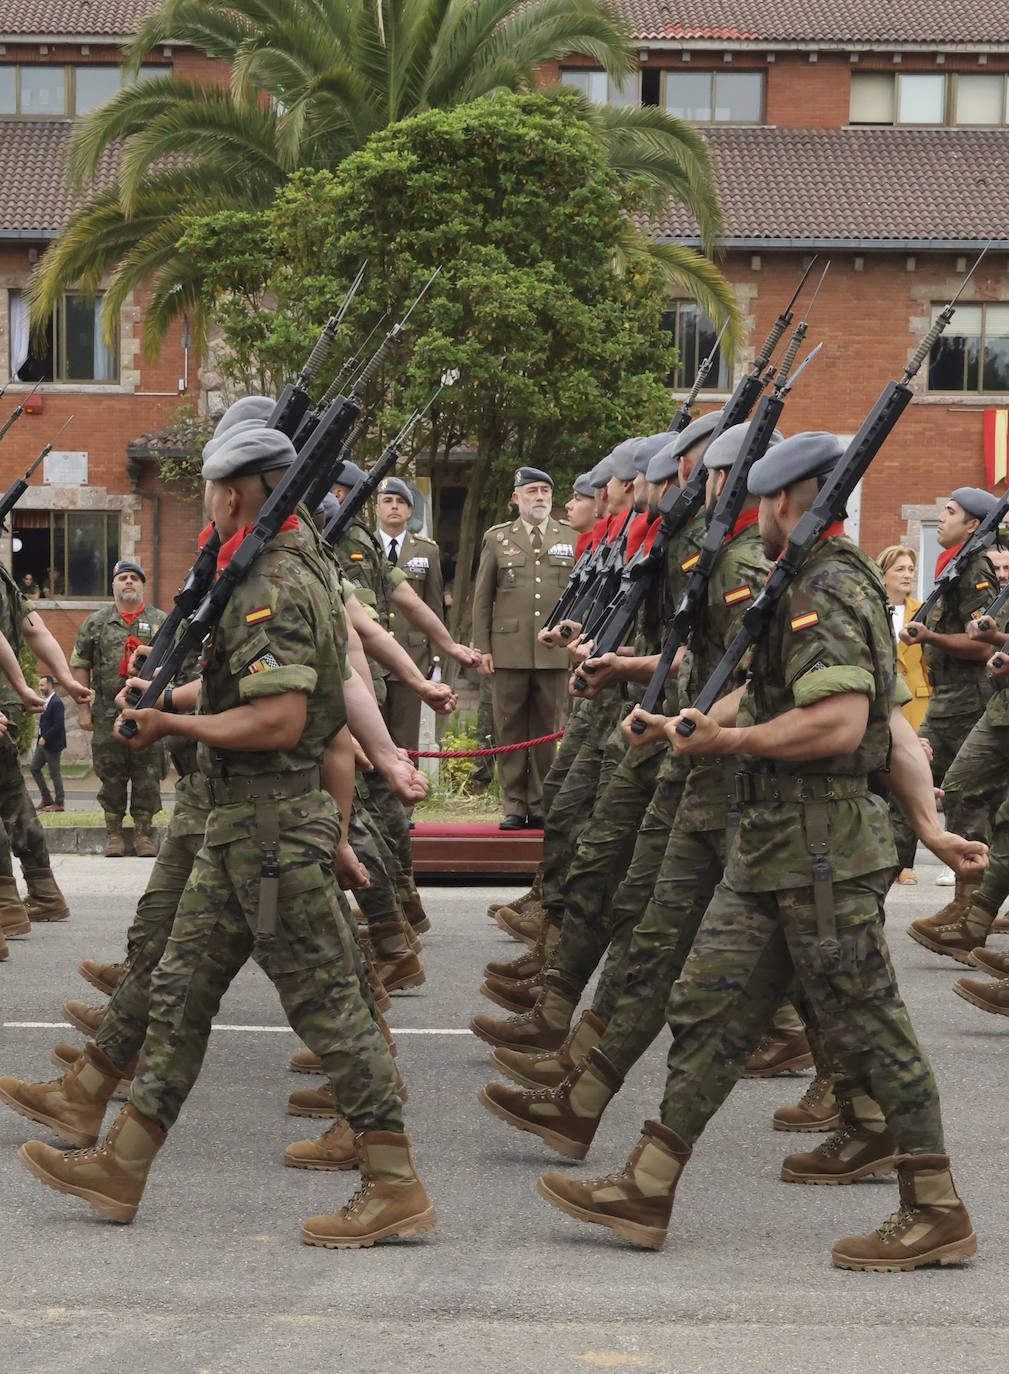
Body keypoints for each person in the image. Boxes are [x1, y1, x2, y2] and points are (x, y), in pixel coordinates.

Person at [534, 432, 976, 1272]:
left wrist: (726, 748)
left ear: (784, 500)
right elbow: (774, 692)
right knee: (706, 1007)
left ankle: (935, 1209)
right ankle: (646, 1184)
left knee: (868, 1027)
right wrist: (689, 723)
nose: (754, 511)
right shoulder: (797, 580)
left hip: (820, 851)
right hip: (775, 846)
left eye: (763, 498)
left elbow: (846, 721)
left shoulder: (827, 587)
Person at [14, 422, 436, 1247]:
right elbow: (254, 684)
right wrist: (174, 703)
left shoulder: (271, 576)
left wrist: (179, 727)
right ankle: (121, 1164)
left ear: (233, 492)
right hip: (248, 828)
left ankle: (395, 1183)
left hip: (272, 830)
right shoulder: (292, 555)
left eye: (210, 490)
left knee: (331, 1008)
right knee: (177, 995)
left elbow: (279, 716)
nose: (206, 504)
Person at [900, 489, 998, 911]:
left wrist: (931, 637)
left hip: (969, 699)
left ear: (974, 525)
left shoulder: (975, 567)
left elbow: (984, 646)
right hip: (946, 699)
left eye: (951, 512)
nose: (940, 517)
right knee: (910, 784)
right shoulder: (953, 563)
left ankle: (969, 906)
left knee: (962, 795)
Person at [471, 468, 575, 828]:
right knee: (510, 728)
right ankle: (514, 803)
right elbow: (483, 599)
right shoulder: (497, 539)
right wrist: (482, 648)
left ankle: (542, 801)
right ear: (516, 498)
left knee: (548, 730)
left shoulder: (571, 538)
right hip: (509, 648)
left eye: (546, 490)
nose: (540, 497)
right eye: (532, 491)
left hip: (554, 652)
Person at [70, 561, 167, 857]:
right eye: (123, 578)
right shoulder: (96, 622)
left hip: (150, 713)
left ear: (142, 585)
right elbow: (81, 665)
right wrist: (83, 710)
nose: (128, 582)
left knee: (147, 774)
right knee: (111, 776)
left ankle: (143, 835)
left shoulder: (161, 621)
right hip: (106, 715)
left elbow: (175, 664)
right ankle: (113, 835)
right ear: (113, 585)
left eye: (135, 578)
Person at [374, 476, 446, 752]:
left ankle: (404, 796)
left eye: (401, 502)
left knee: (406, 740)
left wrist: (436, 659)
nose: (394, 507)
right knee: (373, 741)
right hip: (371, 658)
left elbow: (434, 606)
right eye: (387, 501)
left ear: (409, 510)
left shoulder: (427, 550)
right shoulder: (363, 548)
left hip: (412, 655)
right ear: (377, 509)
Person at [877, 544, 929, 883]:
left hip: (917, 703)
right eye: (900, 569)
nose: (908, 574)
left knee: (914, 781)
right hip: (885, 703)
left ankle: (906, 864)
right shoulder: (872, 610)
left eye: (911, 568)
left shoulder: (923, 611)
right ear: (884, 575)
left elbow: (928, 664)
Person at [30, 676, 65, 812]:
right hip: (42, 744)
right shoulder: (47, 701)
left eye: (42, 685)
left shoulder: (56, 702)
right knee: (34, 768)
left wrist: (45, 737)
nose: (40, 688)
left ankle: (59, 803)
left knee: (54, 773)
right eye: (39, 685)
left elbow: (58, 725)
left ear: (50, 685)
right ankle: (46, 798)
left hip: (53, 744)